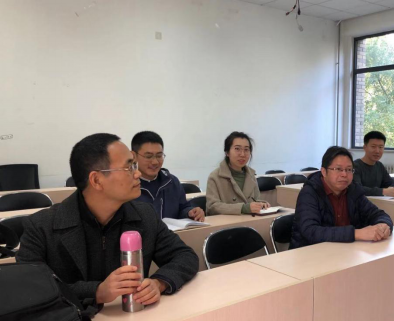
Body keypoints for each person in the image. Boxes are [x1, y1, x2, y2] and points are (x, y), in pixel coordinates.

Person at [17, 134, 199, 307]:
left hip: (135, 320)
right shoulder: (41, 227)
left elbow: (185, 256)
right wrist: (96, 292)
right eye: (129, 168)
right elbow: (28, 289)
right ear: (97, 180)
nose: (137, 174)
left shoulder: (144, 215)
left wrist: (160, 282)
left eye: (135, 165)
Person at [290, 146, 394, 250]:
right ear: (324, 172)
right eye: (338, 169)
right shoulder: (310, 193)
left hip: (344, 251)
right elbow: (310, 231)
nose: (344, 174)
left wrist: (383, 225)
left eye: (349, 170)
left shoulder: (353, 190)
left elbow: (377, 214)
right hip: (310, 252)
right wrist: (356, 233)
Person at [132, 131, 205, 222]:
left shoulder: (171, 181)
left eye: (159, 156)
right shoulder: (128, 185)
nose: (155, 162)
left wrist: (190, 212)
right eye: (148, 156)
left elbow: (182, 208)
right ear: (133, 156)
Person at [206, 131, 269, 216]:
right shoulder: (215, 177)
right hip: (227, 222)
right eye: (237, 149)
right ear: (227, 152)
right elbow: (212, 207)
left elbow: (256, 199)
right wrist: (243, 208)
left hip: (251, 221)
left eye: (246, 150)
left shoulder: (251, 175)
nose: (242, 154)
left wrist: (261, 204)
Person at [353, 131, 394, 197]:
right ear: (365, 147)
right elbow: (357, 189)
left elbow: (392, 183)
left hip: (378, 201)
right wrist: (383, 191)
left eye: (380, 147)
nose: (377, 151)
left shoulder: (379, 166)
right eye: (373, 146)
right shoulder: (355, 166)